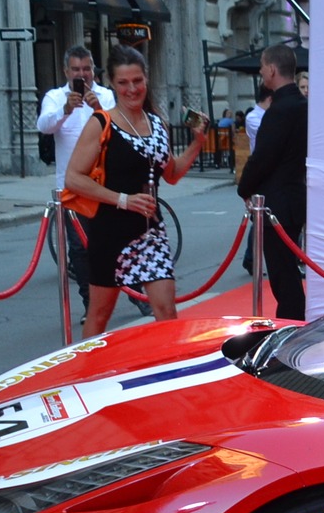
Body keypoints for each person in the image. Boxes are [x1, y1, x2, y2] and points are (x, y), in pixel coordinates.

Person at [65, 45, 206, 338]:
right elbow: (73, 179)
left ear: (146, 79)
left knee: (167, 313)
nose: (132, 89)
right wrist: (123, 199)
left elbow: (172, 173)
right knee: (99, 316)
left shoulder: (157, 123)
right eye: (123, 83)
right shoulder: (101, 122)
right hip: (111, 233)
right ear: (113, 85)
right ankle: (84, 377)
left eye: (137, 81)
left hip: (150, 232)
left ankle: (167, 377)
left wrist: (197, 143)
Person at [36, 47, 129, 315]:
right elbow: (43, 126)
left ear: (93, 70)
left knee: (114, 242)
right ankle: (90, 301)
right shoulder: (55, 97)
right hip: (72, 186)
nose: (82, 74)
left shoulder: (106, 95)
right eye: (76, 70)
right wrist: (66, 110)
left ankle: (131, 292)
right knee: (79, 248)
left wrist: (97, 107)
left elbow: (118, 129)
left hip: (104, 183)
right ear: (66, 72)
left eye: (86, 69)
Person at [236, 43, 309, 320]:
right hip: (294, 196)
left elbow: (262, 158)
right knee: (287, 269)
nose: (260, 72)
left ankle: (292, 324)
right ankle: (293, 319)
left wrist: (244, 187)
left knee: (283, 274)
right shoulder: (303, 106)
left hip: (275, 203)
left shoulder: (280, 110)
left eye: (262, 67)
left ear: (271, 69)